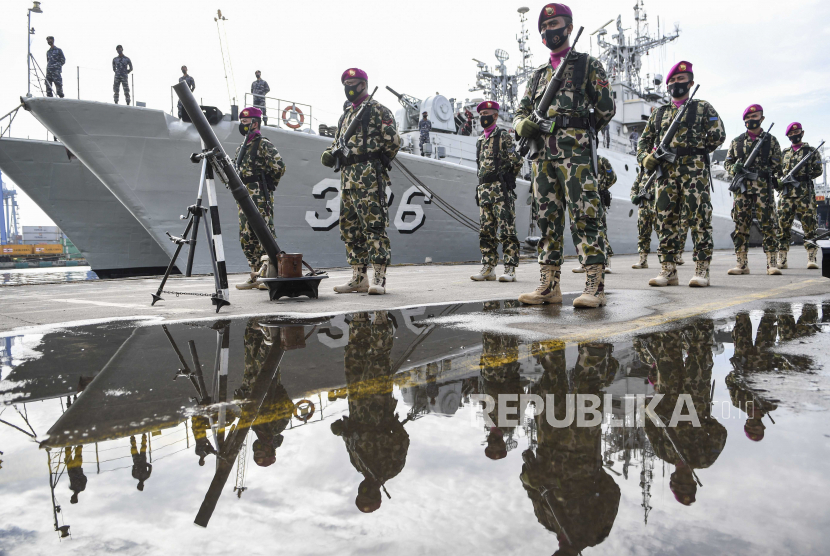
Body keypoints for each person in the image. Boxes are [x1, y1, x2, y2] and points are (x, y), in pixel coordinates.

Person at [514, 3, 616, 308]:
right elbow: (520, 111)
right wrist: (521, 123)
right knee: (546, 220)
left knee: (585, 216)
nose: (549, 31)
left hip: (576, 157)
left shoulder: (586, 65)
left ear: (569, 27)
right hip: (541, 158)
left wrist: (577, 132)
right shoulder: (536, 77)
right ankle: (549, 286)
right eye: (544, 28)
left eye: (554, 24)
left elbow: (606, 107)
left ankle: (594, 286)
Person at [522, 340, 620, 553]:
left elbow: (530, 486)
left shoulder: (546, 520)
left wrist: (529, 478)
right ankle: (594, 350)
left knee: (550, 383)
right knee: (587, 391)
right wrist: (591, 473)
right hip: (582, 446)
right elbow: (611, 493)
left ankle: (551, 344)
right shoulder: (595, 532)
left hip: (548, 442)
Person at [638, 61, 725, 288]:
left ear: (691, 83)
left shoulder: (702, 108)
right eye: (673, 81)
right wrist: (645, 157)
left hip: (694, 170)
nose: (677, 84)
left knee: (699, 218)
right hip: (665, 172)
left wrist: (695, 148)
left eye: (681, 80)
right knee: (665, 219)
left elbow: (718, 135)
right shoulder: (659, 113)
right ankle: (668, 270)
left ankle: (701, 270)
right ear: (668, 86)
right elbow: (644, 141)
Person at [321, 68, 401, 295]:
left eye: (353, 83)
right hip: (347, 178)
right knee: (350, 229)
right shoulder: (345, 115)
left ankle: (379, 278)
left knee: (374, 227)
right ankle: (359, 277)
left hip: (369, 178)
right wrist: (329, 153)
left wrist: (374, 160)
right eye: (346, 83)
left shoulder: (378, 110)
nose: (349, 87)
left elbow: (393, 141)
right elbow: (338, 142)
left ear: (364, 85)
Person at [638, 320, 727, 506]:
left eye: (679, 482)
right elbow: (720, 434)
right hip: (696, 397)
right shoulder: (704, 459)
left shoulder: (664, 453)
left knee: (667, 357)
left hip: (668, 395)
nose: (683, 479)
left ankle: (671, 323)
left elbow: (649, 425)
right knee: (700, 357)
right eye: (687, 482)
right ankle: (703, 324)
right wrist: (704, 420)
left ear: (673, 480)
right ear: (693, 482)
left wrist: (655, 409)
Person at [330, 311, 409, 513]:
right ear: (378, 494)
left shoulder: (359, 466)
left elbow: (352, 442)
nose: (366, 490)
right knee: (377, 360)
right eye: (370, 494)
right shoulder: (390, 469)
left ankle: (360, 321)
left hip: (356, 405)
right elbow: (402, 440)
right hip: (377, 407)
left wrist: (342, 430)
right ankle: (381, 321)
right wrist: (389, 423)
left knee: (354, 356)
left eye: (363, 493)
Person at [723, 104, 783, 276]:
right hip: (742, 188)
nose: (751, 120)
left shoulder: (771, 141)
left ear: (761, 118)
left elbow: (778, 164)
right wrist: (734, 167)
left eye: (754, 116)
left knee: (768, 224)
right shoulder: (737, 141)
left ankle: (772, 263)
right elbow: (727, 163)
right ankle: (741, 264)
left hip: (763, 187)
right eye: (748, 118)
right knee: (741, 224)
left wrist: (775, 176)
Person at [233, 106, 286, 290]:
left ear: (255, 123)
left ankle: (267, 272)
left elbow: (279, 166)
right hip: (243, 195)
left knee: (263, 231)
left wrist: (268, 184)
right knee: (246, 236)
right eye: (242, 122)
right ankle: (255, 274)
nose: (242, 125)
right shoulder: (242, 147)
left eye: (246, 122)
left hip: (259, 195)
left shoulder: (263, 144)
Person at [470, 101, 523, 282]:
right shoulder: (479, 140)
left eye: (487, 113)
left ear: (495, 116)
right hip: (484, 191)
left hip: (501, 191)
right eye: (481, 113)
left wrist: (509, 177)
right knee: (486, 231)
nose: (483, 117)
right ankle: (488, 266)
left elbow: (516, 160)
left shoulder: (502, 136)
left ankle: (509, 268)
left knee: (507, 230)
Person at [777, 122, 824, 270]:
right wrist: (779, 180)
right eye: (791, 134)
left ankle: (811, 257)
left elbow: (818, 170)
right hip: (786, 195)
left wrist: (804, 173)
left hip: (805, 194)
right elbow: (778, 171)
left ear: (801, 133)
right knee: (782, 226)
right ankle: (782, 258)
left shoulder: (810, 151)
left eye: (796, 133)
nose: (793, 136)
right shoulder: (784, 153)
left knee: (809, 226)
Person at [573, 155, 616, 274]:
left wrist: (601, 188)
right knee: (580, 229)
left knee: (599, 229)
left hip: (595, 197)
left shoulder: (601, 160)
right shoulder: (576, 158)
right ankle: (585, 262)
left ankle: (606, 262)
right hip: (579, 197)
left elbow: (612, 177)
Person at [630, 165, 657, 269]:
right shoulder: (641, 175)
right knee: (642, 235)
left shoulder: (660, 173)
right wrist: (635, 197)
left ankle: (666, 260)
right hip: (643, 209)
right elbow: (633, 190)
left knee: (663, 235)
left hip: (657, 208)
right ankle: (642, 260)